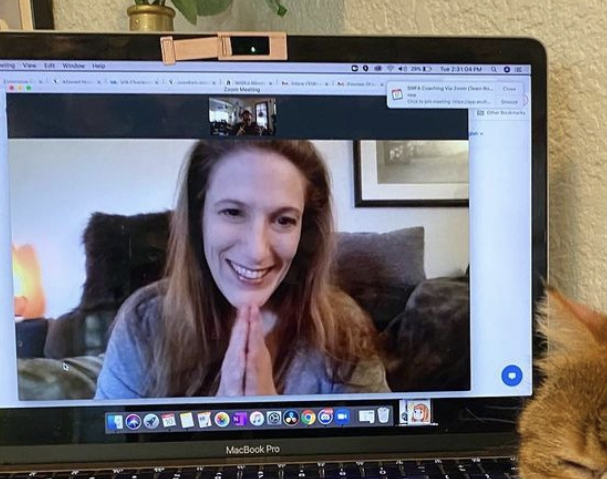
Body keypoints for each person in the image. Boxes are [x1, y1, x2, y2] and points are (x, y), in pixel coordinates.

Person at [95, 139, 389, 399]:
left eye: (284, 220)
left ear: (305, 232)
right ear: (199, 220)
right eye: (233, 212)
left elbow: (377, 452)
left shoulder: (344, 328)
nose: (257, 251)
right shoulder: (144, 322)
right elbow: (107, 453)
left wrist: (270, 420)